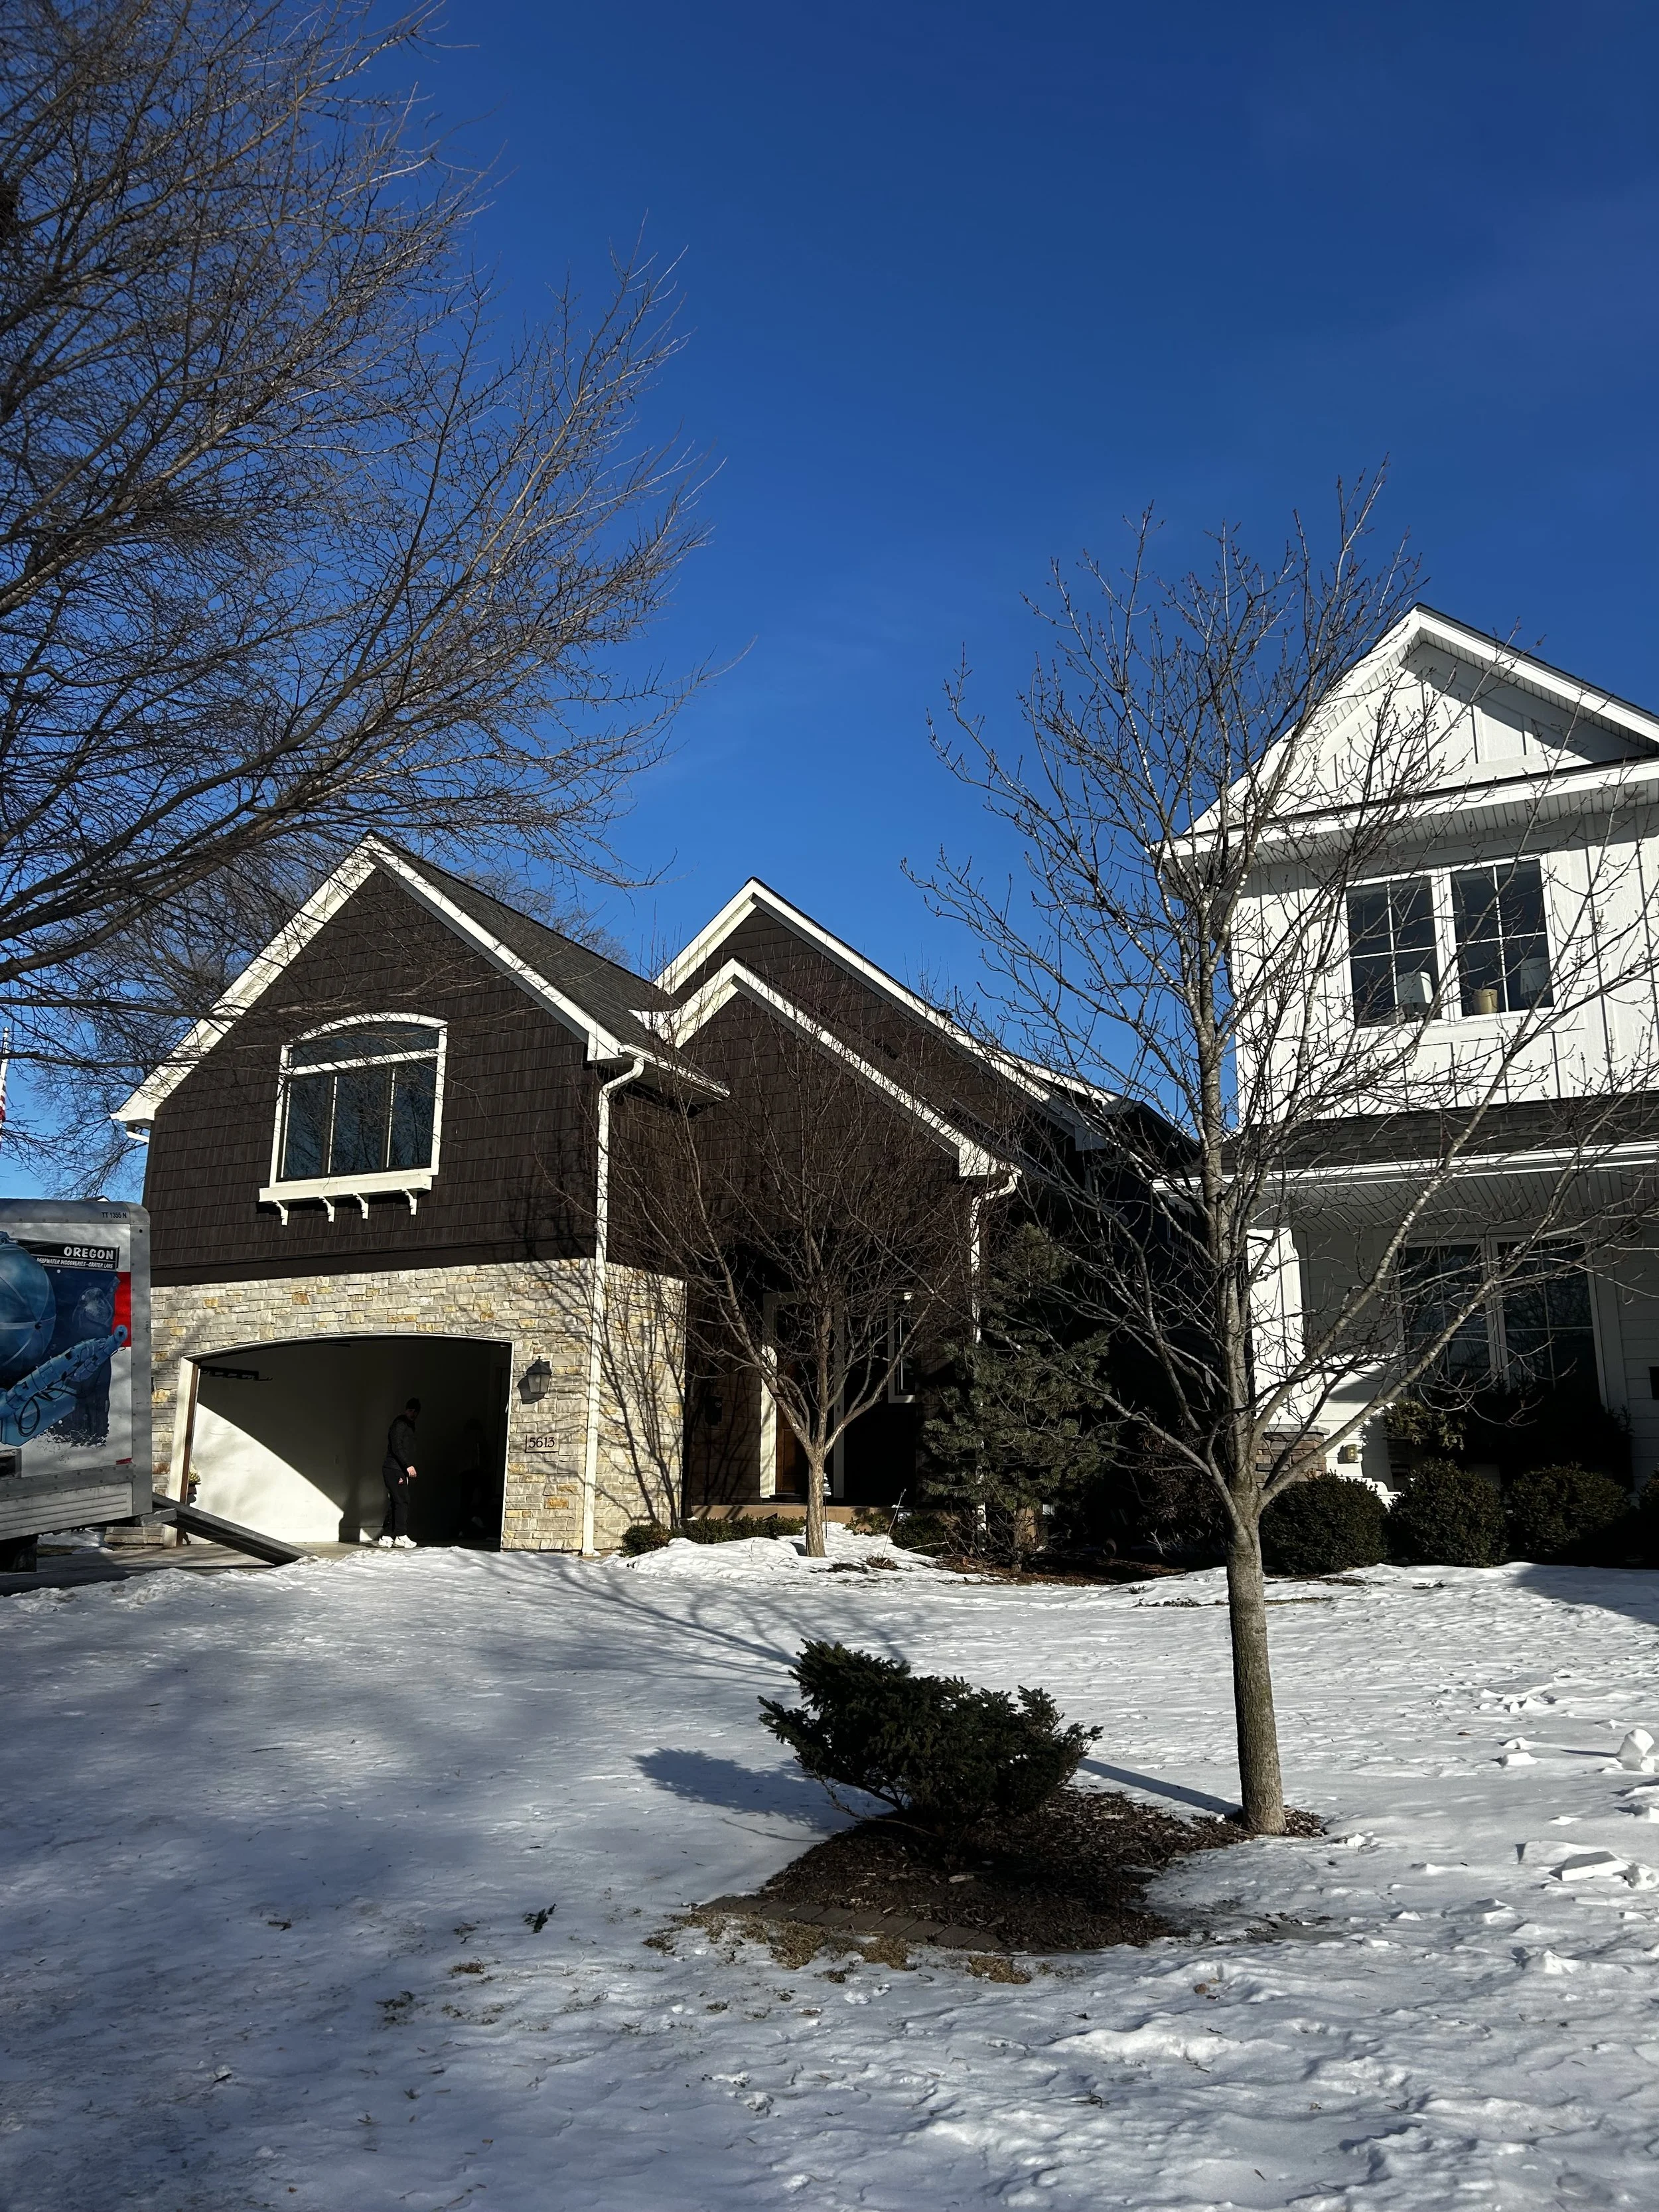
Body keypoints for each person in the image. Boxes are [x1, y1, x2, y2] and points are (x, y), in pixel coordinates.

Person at [378, 1396, 420, 1548]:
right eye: (410, 1410)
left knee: (397, 1501)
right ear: (406, 1410)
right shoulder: (400, 1424)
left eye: (415, 1411)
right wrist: (408, 1466)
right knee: (402, 1501)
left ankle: (387, 1536)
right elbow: (397, 1446)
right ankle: (401, 1535)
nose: (413, 1414)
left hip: (397, 1469)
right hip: (394, 1468)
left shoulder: (408, 1425)